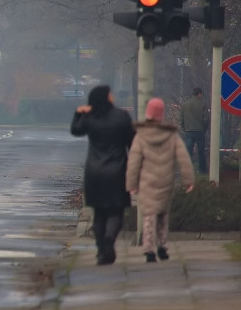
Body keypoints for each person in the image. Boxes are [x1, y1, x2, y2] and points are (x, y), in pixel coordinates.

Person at [71, 84, 135, 265]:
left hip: (94, 172)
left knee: (99, 213)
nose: (113, 97)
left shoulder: (90, 118)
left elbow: (76, 130)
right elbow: (132, 142)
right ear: (106, 98)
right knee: (116, 211)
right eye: (110, 94)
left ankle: (101, 250)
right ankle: (109, 239)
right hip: (117, 171)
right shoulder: (122, 117)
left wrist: (79, 113)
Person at [127, 97, 195, 263]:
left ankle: (149, 249)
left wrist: (131, 184)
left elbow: (134, 161)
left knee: (149, 215)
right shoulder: (171, 135)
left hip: (146, 182)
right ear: (162, 114)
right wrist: (188, 180)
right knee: (163, 214)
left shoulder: (141, 136)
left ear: (148, 113)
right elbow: (183, 157)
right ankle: (163, 246)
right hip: (165, 181)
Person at [180, 87, 208, 174]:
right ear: (199, 94)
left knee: (188, 152)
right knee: (201, 152)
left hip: (189, 131)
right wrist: (205, 128)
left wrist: (184, 128)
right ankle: (202, 170)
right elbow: (205, 119)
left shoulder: (185, 104)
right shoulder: (203, 104)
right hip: (200, 131)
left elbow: (182, 119)